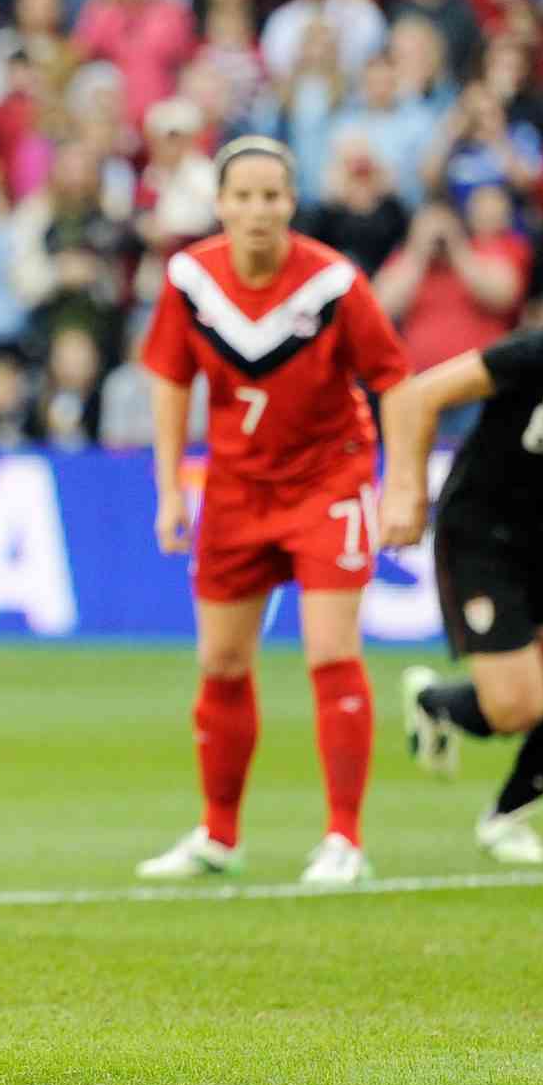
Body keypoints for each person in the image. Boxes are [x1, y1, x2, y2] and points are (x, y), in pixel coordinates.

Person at [134, 136, 409, 886]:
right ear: (219, 204)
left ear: (292, 202)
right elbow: (170, 379)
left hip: (328, 480)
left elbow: (397, 379)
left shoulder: (334, 284)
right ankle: (219, 835)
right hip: (233, 488)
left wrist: (405, 483)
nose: (258, 210)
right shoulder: (190, 278)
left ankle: (344, 839)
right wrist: (168, 487)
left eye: (272, 196)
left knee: (330, 652)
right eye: (243, 196)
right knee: (221, 662)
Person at [382, 237, 543, 867]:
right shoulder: (537, 355)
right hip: (481, 530)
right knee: (517, 706)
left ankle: (506, 816)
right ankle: (435, 703)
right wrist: (406, 492)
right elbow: (420, 395)